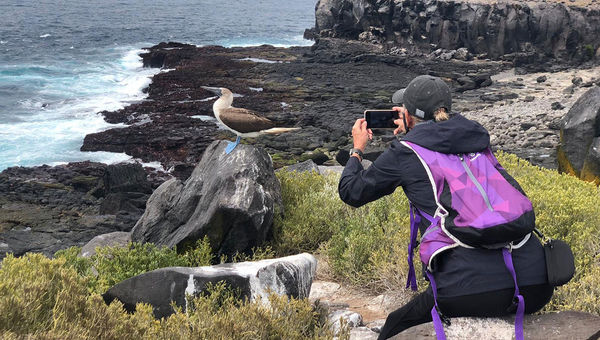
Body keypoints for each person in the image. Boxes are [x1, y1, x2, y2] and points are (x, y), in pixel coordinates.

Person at [338, 75, 553, 340]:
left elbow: (351, 191)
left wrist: (357, 149)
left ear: (409, 115)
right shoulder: (475, 138)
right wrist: (414, 128)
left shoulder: (405, 152)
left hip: (467, 287)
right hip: (534, 282)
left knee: (395, 326)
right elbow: (442, 136)